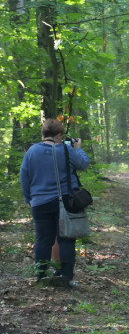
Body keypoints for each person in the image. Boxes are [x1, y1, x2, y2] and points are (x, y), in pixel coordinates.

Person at [19, 118, 90, 288]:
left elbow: (24, 177)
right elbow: (83, 164)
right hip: (63, 201)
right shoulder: (64, 149)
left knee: (43, 239)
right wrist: (78, 149)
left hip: (39, 202)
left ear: (43, 133)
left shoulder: (31, 151)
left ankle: (41, 276)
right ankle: (66, 277)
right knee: (65, 239)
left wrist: (29, 198)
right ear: (59, 135)